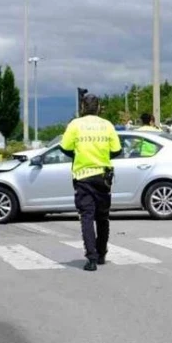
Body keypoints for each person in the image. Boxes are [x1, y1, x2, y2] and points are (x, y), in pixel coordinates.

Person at [60, 94, 121, 271]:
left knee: (87, 217)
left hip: (83, 176)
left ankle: (91, 258)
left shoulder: (75, 124)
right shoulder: (107, 125)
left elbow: (64, 147)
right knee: (102, 217)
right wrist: (102, 156)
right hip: (103, 177)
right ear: (98, 107)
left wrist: (79, 155)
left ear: (82, 107)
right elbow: (116, 150)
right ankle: (102, 254)